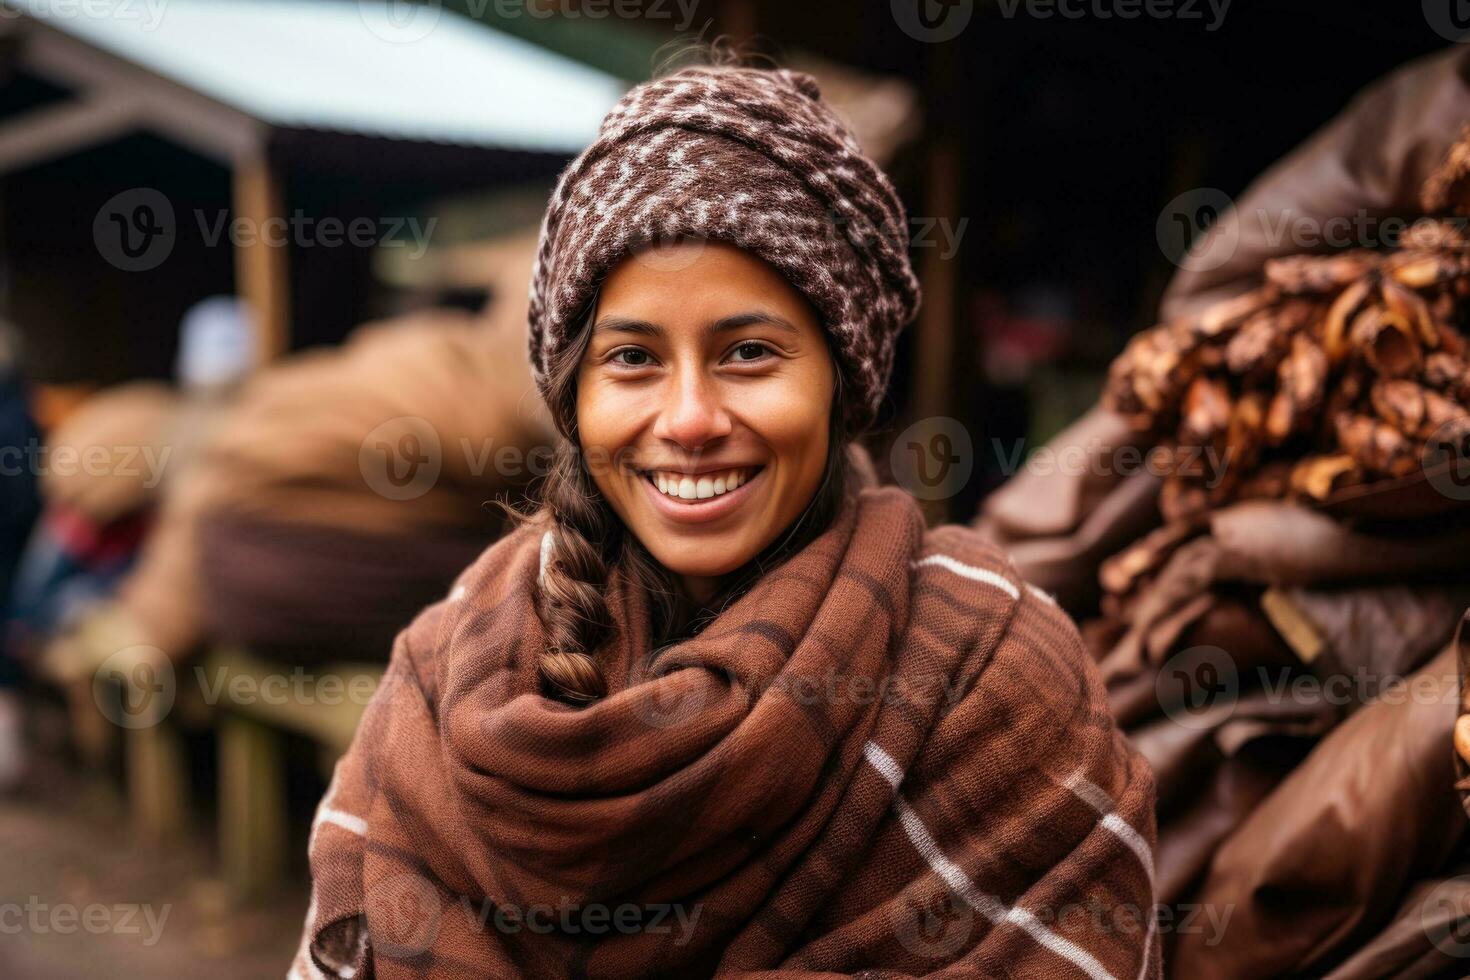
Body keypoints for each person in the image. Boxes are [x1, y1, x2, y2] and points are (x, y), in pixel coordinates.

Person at [294, 60, 1157, 979]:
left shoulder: (993, 673)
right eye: (632, 358)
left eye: (748, 352)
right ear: (574, 394)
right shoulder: (449, 662)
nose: (691, 419)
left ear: (841, 377)